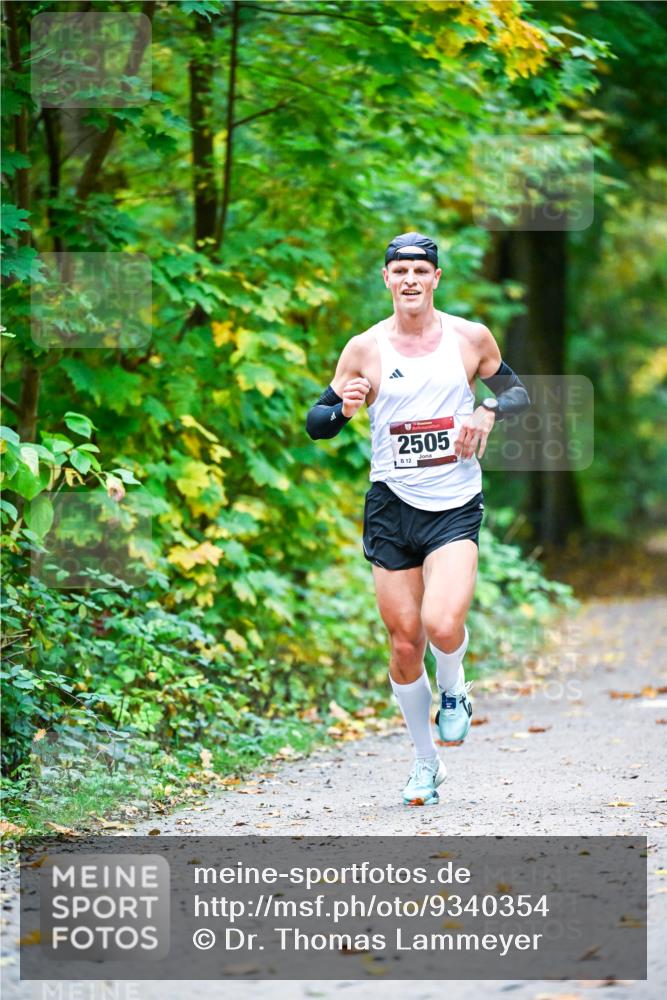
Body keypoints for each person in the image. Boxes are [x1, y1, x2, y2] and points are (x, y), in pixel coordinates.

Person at [306, 233, 530, 806]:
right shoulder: (364, 348)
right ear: (386, 279)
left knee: (442, 623)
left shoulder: (469, 338)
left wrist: (487, 409)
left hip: (454, 504)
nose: (409, 279)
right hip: (391, 506)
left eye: (420, 270)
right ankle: (424, 765)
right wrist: (343, 409)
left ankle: (454, 689)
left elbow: (519, 393)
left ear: (435, 279)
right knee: (405, 644)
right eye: (399, 270)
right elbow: (317, 420)